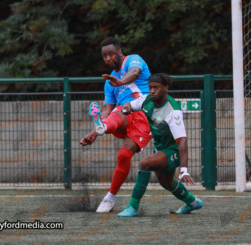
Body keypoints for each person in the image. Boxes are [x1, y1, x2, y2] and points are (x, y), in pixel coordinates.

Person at [80, 37, 152, 213]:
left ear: (120, 52)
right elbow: (106, 110)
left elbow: (134, 72)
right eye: (104, 56)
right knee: (118, 115)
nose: (108, 59)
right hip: (121, 115)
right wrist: (94, 133)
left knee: (123, 154)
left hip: (143, 112)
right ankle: (109, 199)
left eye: (111, 54)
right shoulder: (108, 82)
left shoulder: (132, 60)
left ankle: (104, 127)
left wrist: (120, 81)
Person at [117, 73, 203, 217]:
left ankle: (133, 207)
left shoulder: (173, 111)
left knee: (144, 164)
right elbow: (129, 105)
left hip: (173, 151)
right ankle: (193, 202)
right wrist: (125, 109)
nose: (152, 90)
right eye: (150, 87)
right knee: (167, 183)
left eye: (156, 87)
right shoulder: (146, 100)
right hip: (160, 149)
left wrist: (184, 170)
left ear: (166, 88)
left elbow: (182, 142)